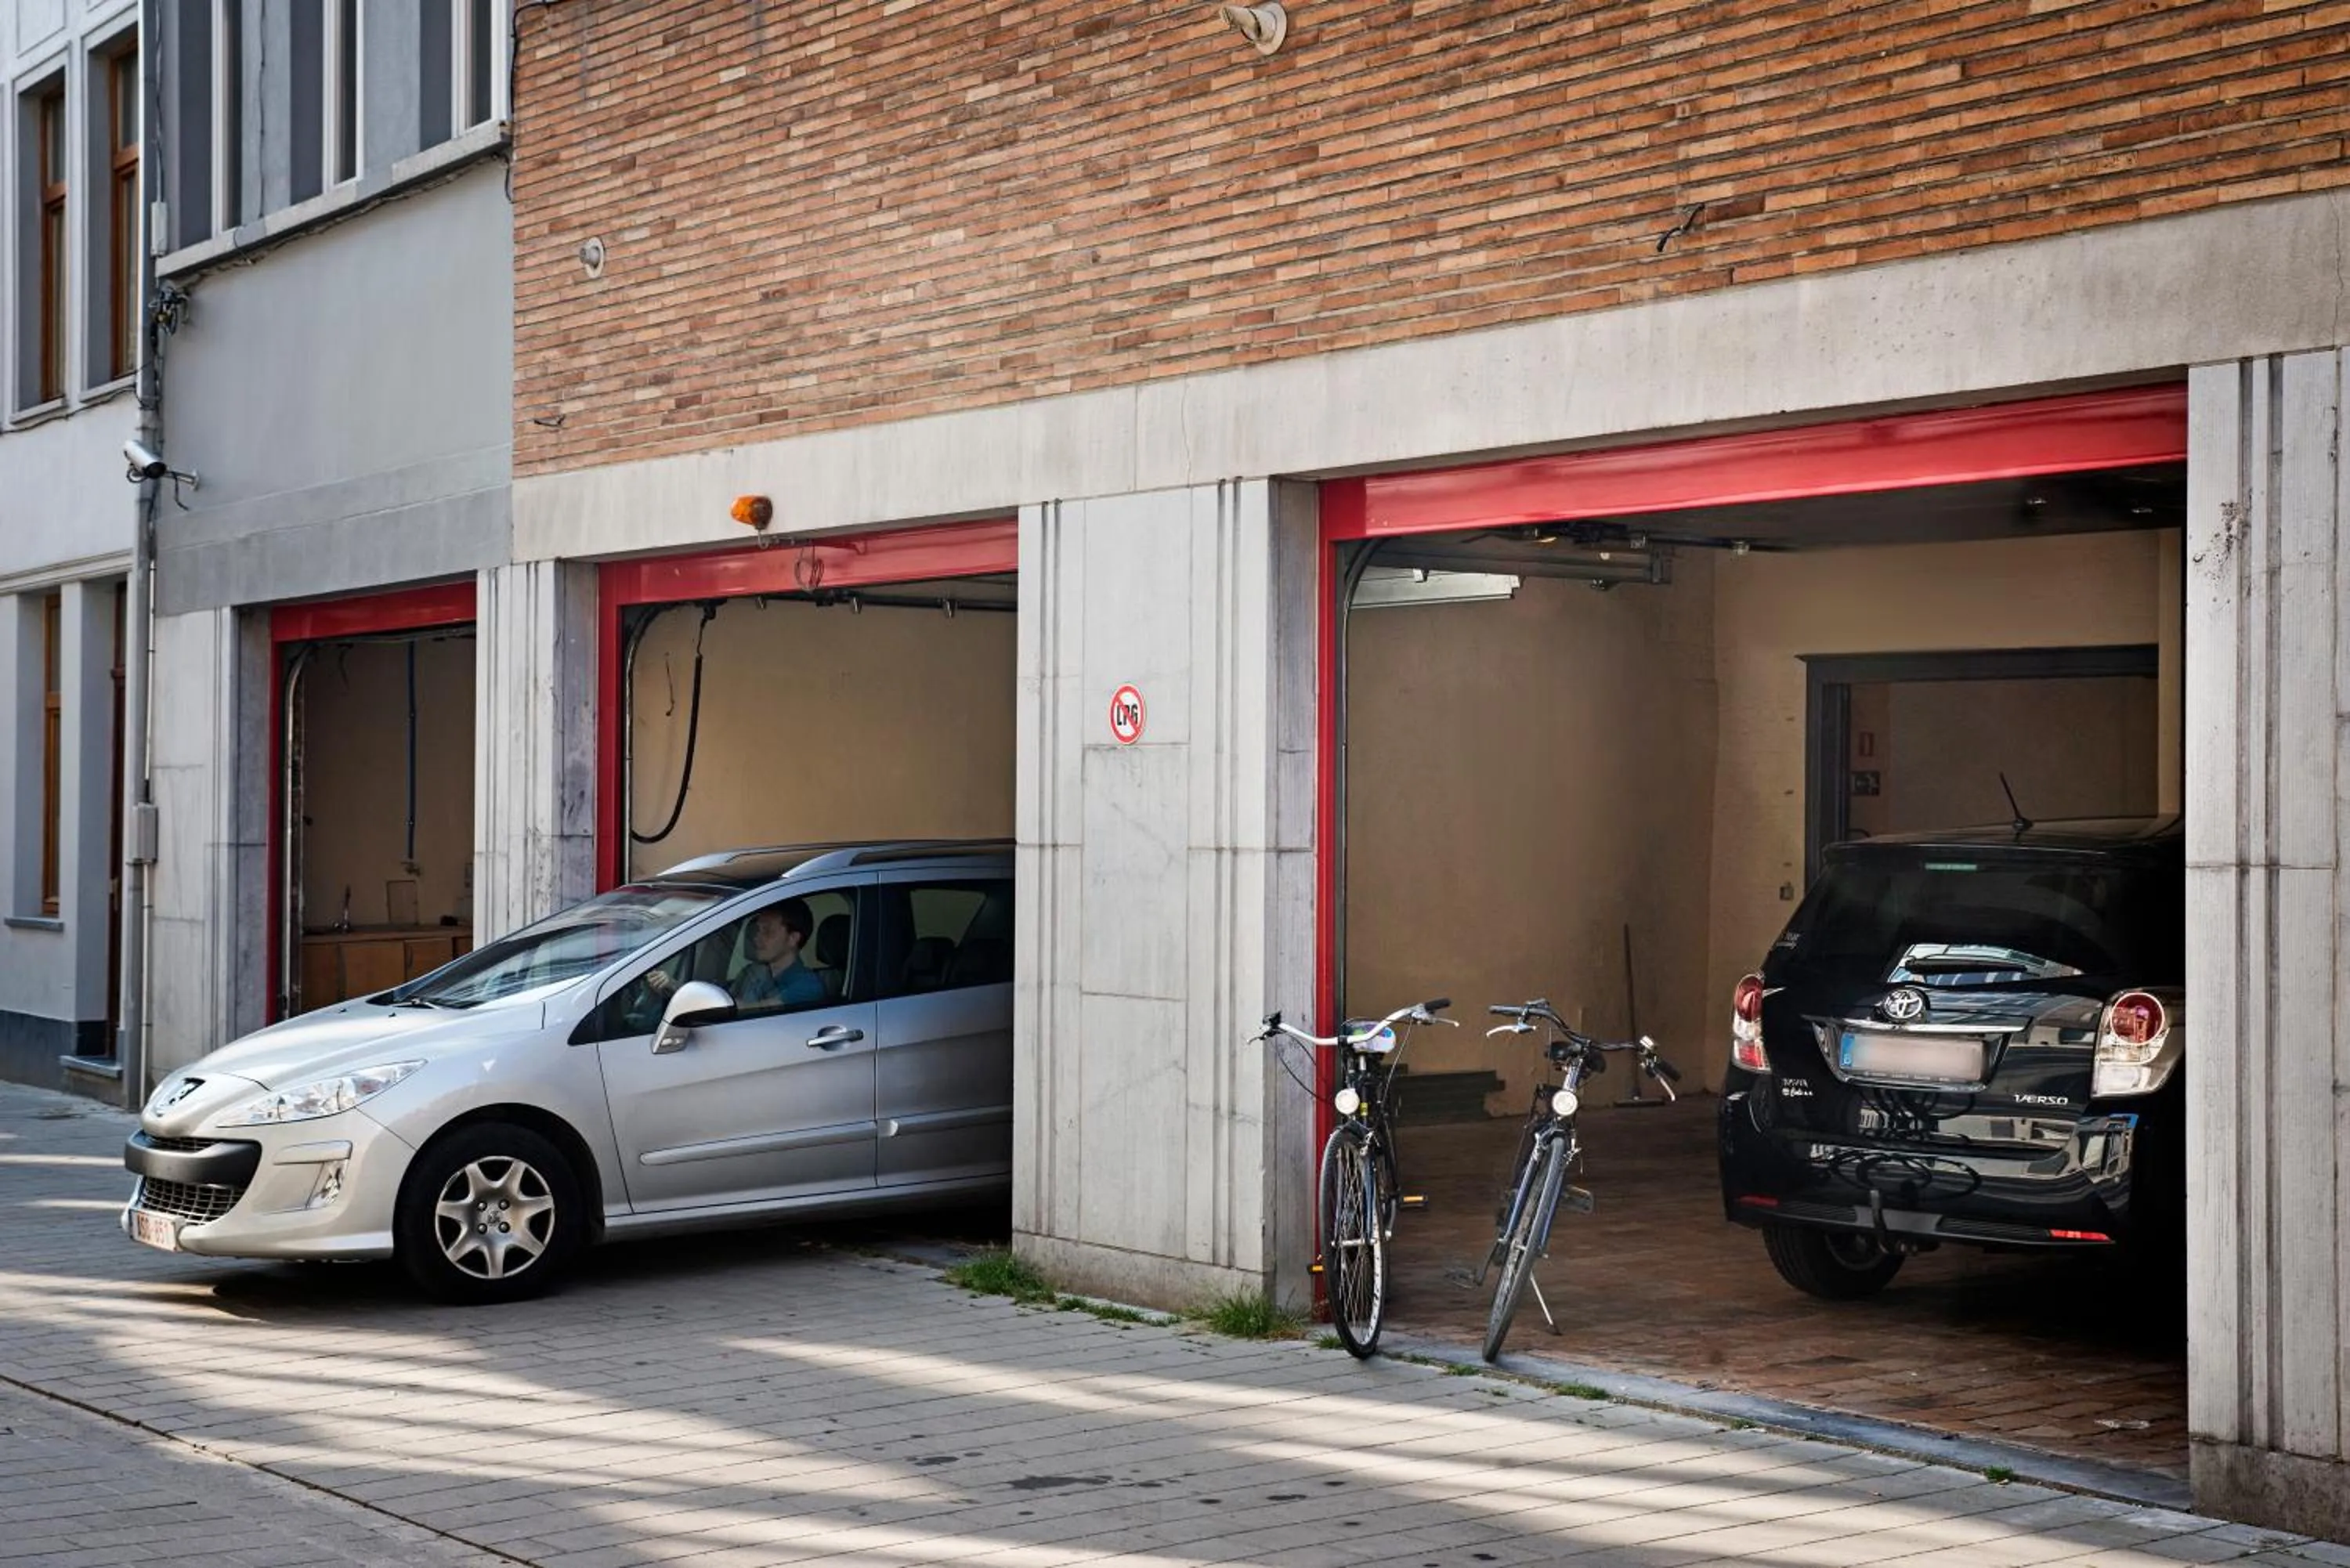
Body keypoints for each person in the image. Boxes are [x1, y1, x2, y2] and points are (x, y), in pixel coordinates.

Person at [732, 899, 826, 1010]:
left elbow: (761, 1009)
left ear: (793, 939)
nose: (757, 938)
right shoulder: (749, 973)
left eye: (767, 931)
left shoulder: (808, 985)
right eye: (758, 930)